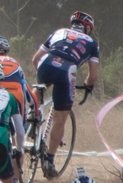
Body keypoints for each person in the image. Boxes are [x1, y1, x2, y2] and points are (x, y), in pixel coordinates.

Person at [31, 11, 100, 172]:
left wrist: (43, 78)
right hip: (67, 69)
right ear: (87, 28)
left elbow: (35, 59)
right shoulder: (91, 42)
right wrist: (88, 86)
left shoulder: (59, 32)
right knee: (60, 117)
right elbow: (93, 75)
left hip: (46, 63)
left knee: (38, 89)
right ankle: (49, 160)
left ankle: (31, 114)